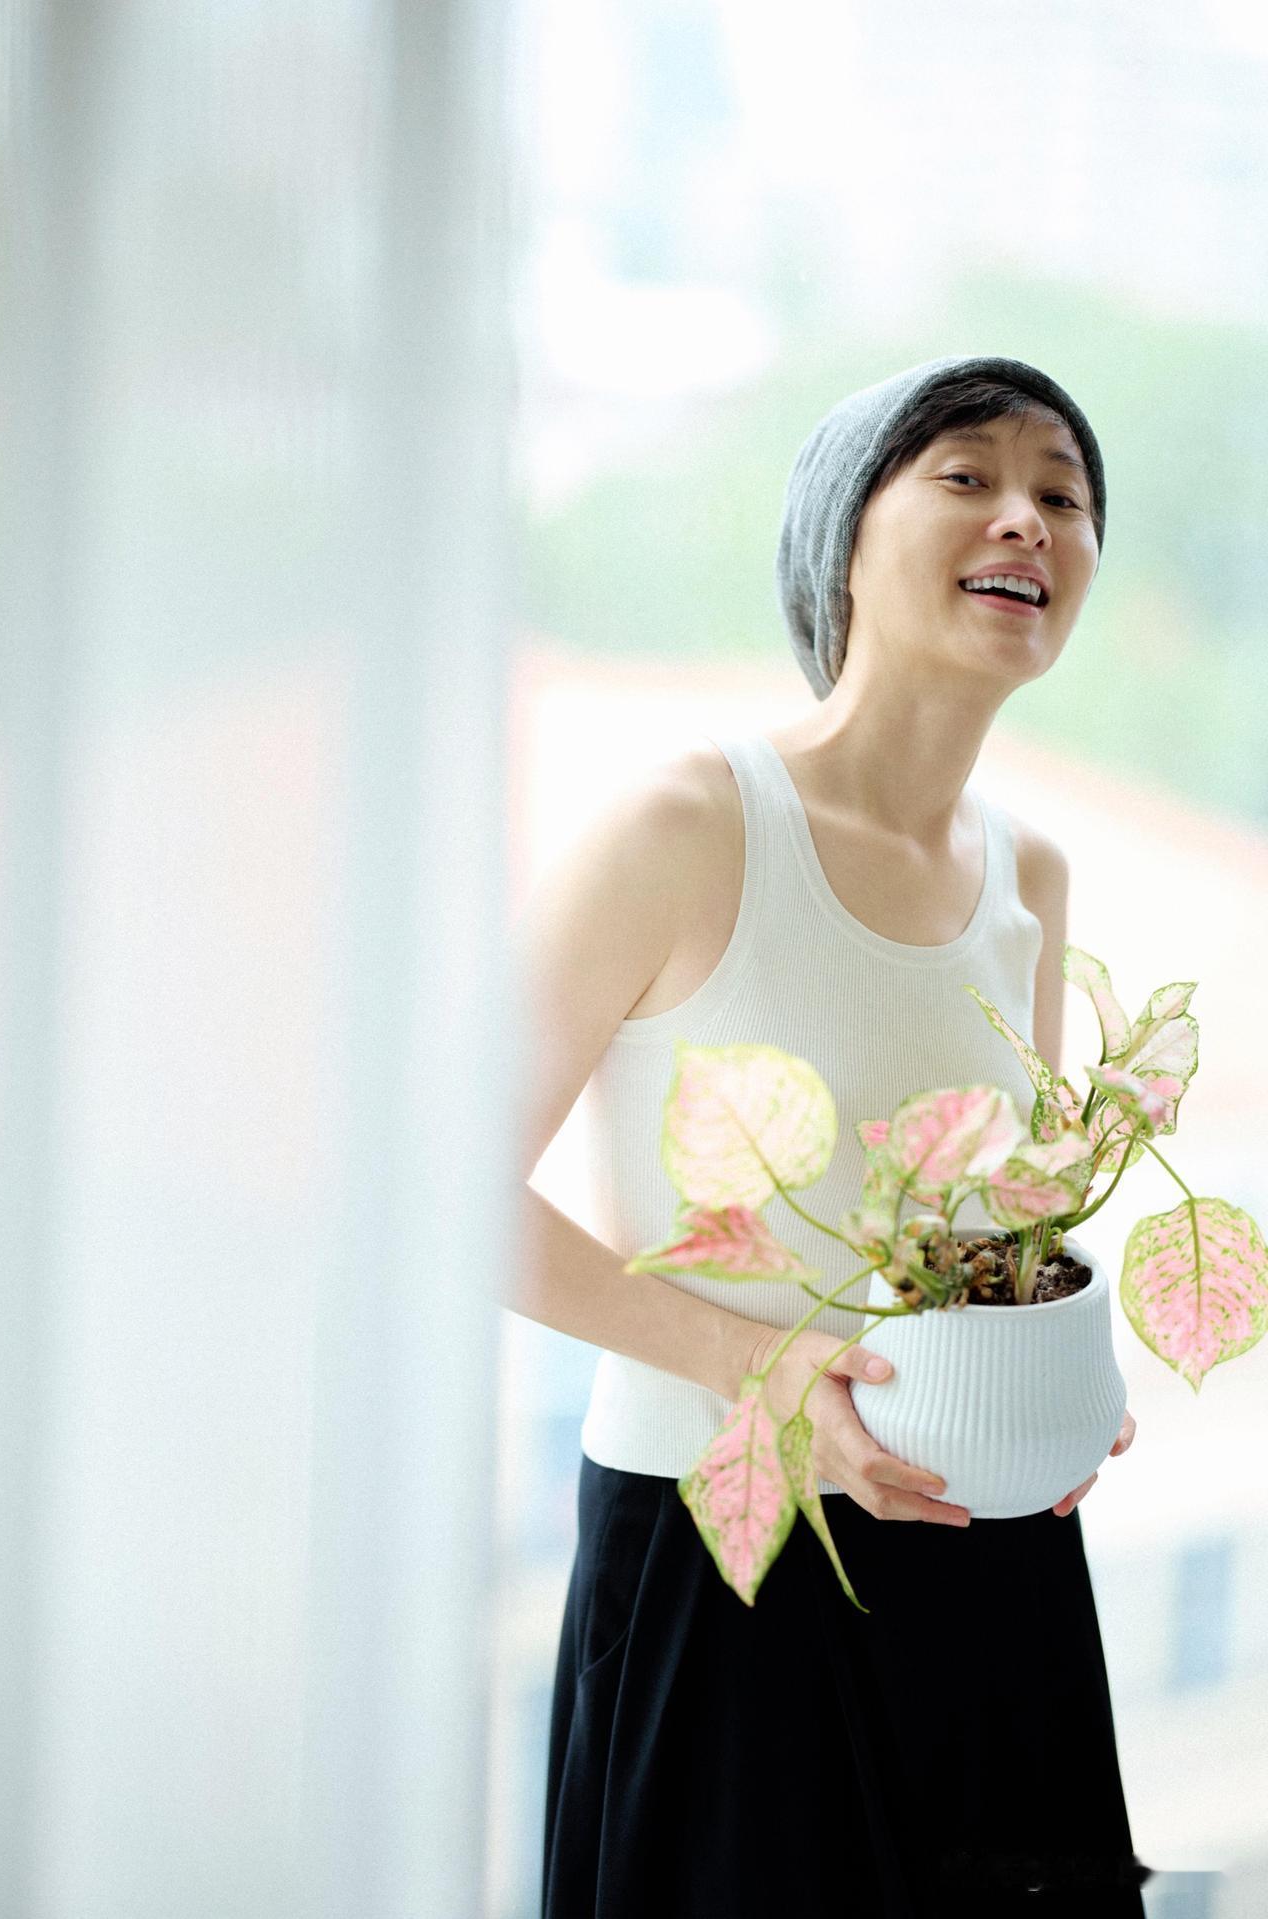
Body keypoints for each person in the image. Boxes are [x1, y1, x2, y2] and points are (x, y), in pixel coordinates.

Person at [510, 355, 1153, 1916]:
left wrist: (1056, 1380)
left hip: (982, 1542)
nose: (1028, 519)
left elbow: (996, 1237)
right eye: (968, 476)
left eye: (1062, 495)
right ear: (842, 542)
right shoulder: (687, 824)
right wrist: (768, 1372)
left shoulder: (1032, 877)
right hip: (719, 1557)